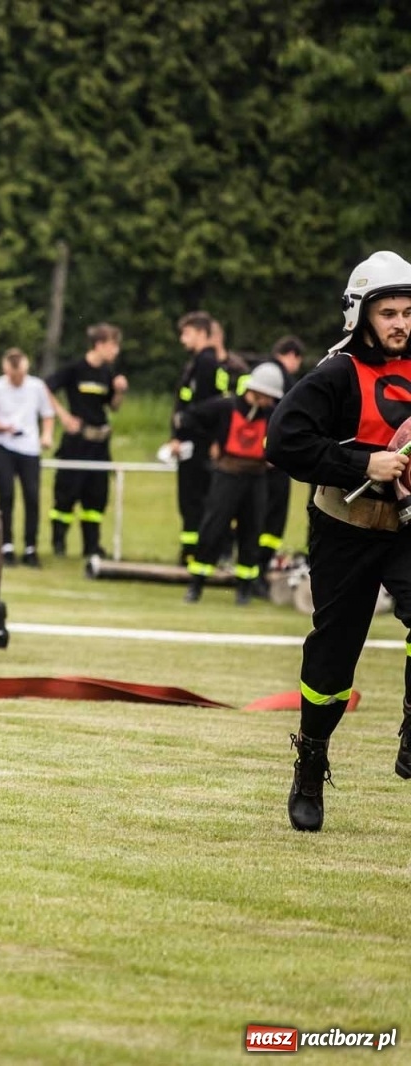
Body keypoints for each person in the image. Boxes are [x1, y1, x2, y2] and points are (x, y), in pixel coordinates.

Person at [264, 250, 411, 832]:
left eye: (408, 312)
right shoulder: (333, 375)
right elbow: (284, 444)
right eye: (389, 312)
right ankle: (311, 762)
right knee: (332, 660)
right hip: (344, 529)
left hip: (407, 526)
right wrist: (359, 463)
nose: (401, 323)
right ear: (361, 315)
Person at [178, 362, 287, 605]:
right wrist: (211, 442)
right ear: (256, 391)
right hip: (227, 476)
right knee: (213, 527)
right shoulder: (225, 406)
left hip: (257, 478)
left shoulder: (270, 413)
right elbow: (188, 418)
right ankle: (196, 584)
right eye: (268, 397)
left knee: (252, 530)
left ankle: (244, 588)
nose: (271, 402)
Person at [46, 323, 127, 559]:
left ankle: (92, 546)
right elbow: (45, 388)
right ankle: (58, 543)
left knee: (96, 497)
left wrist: (120, 392)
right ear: (99, 345)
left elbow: (113, 407)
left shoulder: (108, 373)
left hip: (100, 444)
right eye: (113, 345)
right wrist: (63, 416)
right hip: (76, 442)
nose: (116, 351)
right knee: (66, 494)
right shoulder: (75, 369)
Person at [169, 311, 231, 565]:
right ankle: (191, 551)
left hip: (201, 443)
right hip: (191, 443)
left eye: (187, 333)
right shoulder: (197, 363)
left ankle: (204, 553)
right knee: (191, 499)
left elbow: (216, 407)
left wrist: (213, 439)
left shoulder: (206, 365)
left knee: (197, 499)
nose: (182, 338)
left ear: (202, 334)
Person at [0, 347, 54, 566]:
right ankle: (7, 545)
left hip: (29, 447)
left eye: (20, 375)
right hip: (2, 445)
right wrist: (3, 427)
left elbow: (47, 414)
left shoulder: (36, 386)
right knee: (6, 494)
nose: (16, 379)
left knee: (32, 496)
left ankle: (31, 546)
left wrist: (46, 435)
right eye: (13, 376)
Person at [255, 335, 307, 592]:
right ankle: (259, 568)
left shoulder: (261, 372)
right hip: (274, 461)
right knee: (271, 518)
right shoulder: (281, 379)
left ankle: (255, 568)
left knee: (259, 516)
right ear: (292, 355)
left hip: (260, 460)